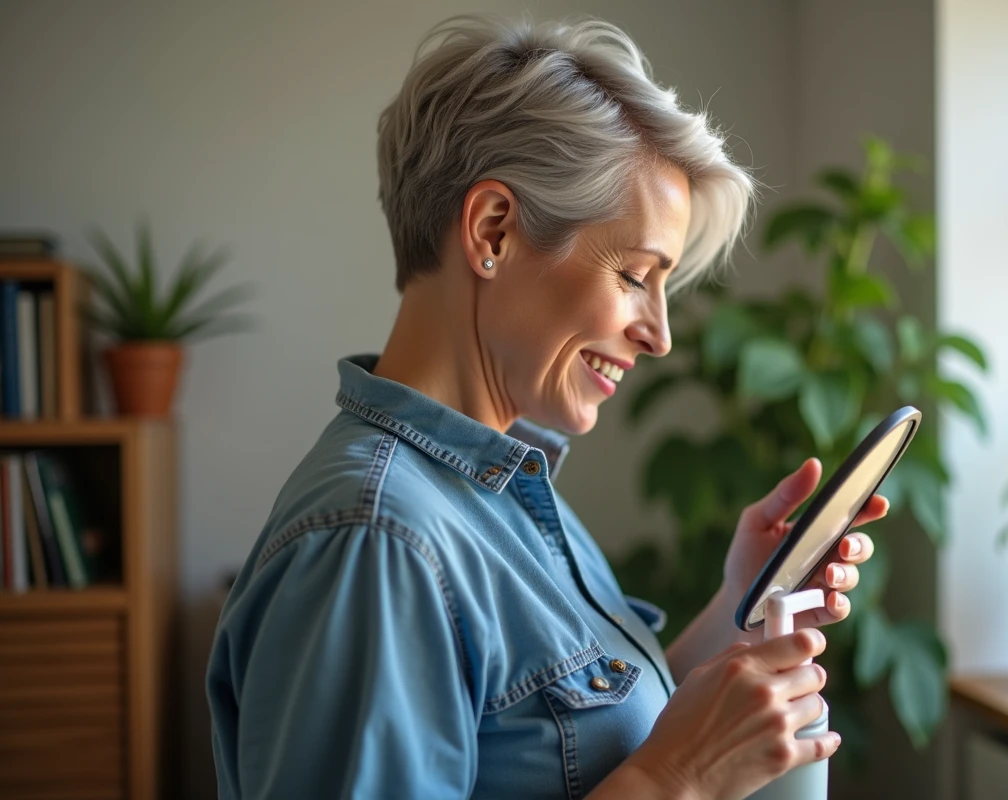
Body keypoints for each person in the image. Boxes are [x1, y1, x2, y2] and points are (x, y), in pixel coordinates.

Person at [206, 13, 886, 800]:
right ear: (494, 230)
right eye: (635, 274)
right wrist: (680, 779)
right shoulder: (376, 544)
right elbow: (647, 770)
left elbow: (569, 753)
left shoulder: (500, 494)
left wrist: (736, 606)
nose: (660, 334)